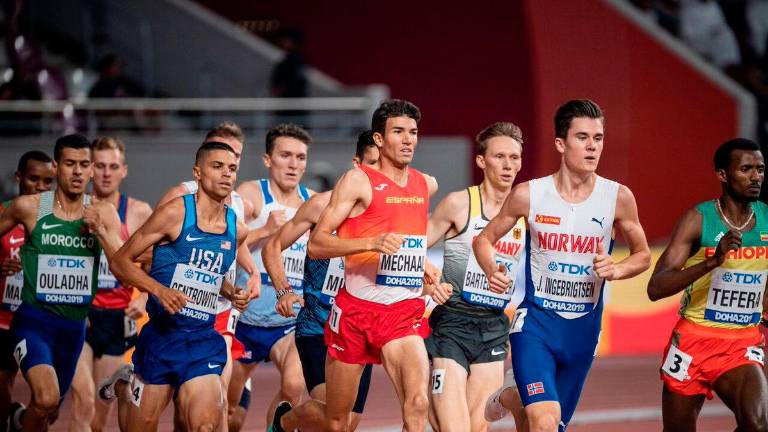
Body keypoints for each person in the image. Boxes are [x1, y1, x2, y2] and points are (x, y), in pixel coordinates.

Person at [474, 99, 651, 432]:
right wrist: (491, 269)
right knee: (545, 420)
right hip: (536, 326)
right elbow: (483, 239)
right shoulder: (530, 194)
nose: (592, 146)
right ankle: (520, 397)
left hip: (583, 333)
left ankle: (513, 397)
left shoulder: (618, 197)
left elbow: (642, 254)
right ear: (560, 143)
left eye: (598, 138)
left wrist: (618, 269)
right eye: (582, 137)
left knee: (545, 425)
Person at [308, 99, 438, 431]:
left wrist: (421, 267)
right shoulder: (357, 181)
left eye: (413, 132)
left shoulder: (426, 184)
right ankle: (285, 422)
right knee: (337, 420)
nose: (408, 139)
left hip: (402, 313)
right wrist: (370, 243)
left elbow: (409, 243)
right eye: (398, 131)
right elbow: (317, 244)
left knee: (419, 403)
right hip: (355, 314)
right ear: (379, 140)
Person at [108, 141, 250, 431]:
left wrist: (231, 292)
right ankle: (125, 387)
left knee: (206, 426)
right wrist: (158, 290)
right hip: (160, 340)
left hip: (201, 342)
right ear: (197, 172)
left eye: (232, 168)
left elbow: (210, 275)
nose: (226, 174)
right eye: (217, 166)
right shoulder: (175, 214)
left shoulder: (236, 228)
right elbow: (120, 261)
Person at [0, 134, 123, 431]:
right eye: (70, 164)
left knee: (50, 410)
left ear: (91, 169)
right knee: (45, 398)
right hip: (33, 322)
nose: (78, 171)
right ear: (56, 167)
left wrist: (101, 233)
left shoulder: (102, 212)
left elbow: (122, 267)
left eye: (84, 164)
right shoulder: (30, 207)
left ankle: (19, 422)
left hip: (74, 330)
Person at [647, 138, 768, 431]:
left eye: (761, 169)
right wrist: (712, 262)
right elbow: (656, 287)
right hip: (692, 344)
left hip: (741, 343)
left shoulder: (766, 218)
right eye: (746, 169)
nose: (756, 177)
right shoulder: (698, 219)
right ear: (723, 175)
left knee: (758, 424)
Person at [265, 131, 379, 432]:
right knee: (334, 420)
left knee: (348, 423)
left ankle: (288, 422)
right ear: (356, 164)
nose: (377, 177)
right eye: (371, 166)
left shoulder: (388, 214)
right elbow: (272, 246)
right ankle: (286, 421)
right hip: (318, 326)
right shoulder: (321, 206)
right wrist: (284, 290)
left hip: (359, 328)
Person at [154, 122, 258, 432]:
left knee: (217, 405)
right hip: (176, 315)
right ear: (202, 164)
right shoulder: (179, 196)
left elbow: (238, 244)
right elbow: (151, 250)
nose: (228, 166)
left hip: (219, 316)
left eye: (235, 159)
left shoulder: (240, 206)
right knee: (179, 406)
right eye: (220, 158)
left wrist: (251, 274)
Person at [425, 122, 527, 432]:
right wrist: (427, 281)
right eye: (499, 157)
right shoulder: (459, 204)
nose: (508, 165)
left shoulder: (528, 211)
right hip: (452, 325)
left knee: (476, 428)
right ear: (481, 160)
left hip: (493, 328)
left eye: (515, 157)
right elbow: (411, 249)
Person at [227, 123, 313, 431]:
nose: (293, 164)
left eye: (301, 157)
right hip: (244, 316)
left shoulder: (312, 203)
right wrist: (265, 231)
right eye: (285, 155)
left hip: (287, 318)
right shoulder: (250, 195)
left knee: (293, 386)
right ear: (268, 159)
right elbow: (224, 244)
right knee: (230, 409)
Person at [68, 137, 152, 432]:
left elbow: (158, 264)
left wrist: (142, 298)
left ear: (124, 171)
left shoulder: (139, 212)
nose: (106, 173)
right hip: (82, 315)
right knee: (84, 401)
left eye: (112, 166)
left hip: (118, 319)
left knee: (101, 411)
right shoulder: (74, 208)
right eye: (100, 166)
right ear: (90, 169)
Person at [0, 150, 54, 431]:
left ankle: (19, 419)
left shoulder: (58, 218)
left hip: (42, 321)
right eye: (35, 179)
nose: (42, 187)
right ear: (19, 177)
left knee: (49, 405)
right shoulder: (4, 212)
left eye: (48, 182)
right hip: (4, 321)